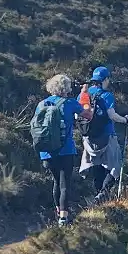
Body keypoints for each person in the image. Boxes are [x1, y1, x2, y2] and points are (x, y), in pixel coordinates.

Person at [31, 74, 84, 226]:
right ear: (66, 87)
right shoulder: (70, 103)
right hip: (65, 150)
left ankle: (58, 212)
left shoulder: (42, 104)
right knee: (64, 183)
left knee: (56, 182)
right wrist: (85, 97)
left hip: (46, 152)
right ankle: (63, 217)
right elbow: (88, 114)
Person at [79, 67, 128, 200]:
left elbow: (77, 115)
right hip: (107, 135)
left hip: (88, 137)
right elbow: (112, 115)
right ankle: (103, 193)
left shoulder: (84, 94)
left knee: (97, 165)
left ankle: (98, 197)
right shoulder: (107, 95)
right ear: (105, 79)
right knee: (114, 166)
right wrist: (125, 120)